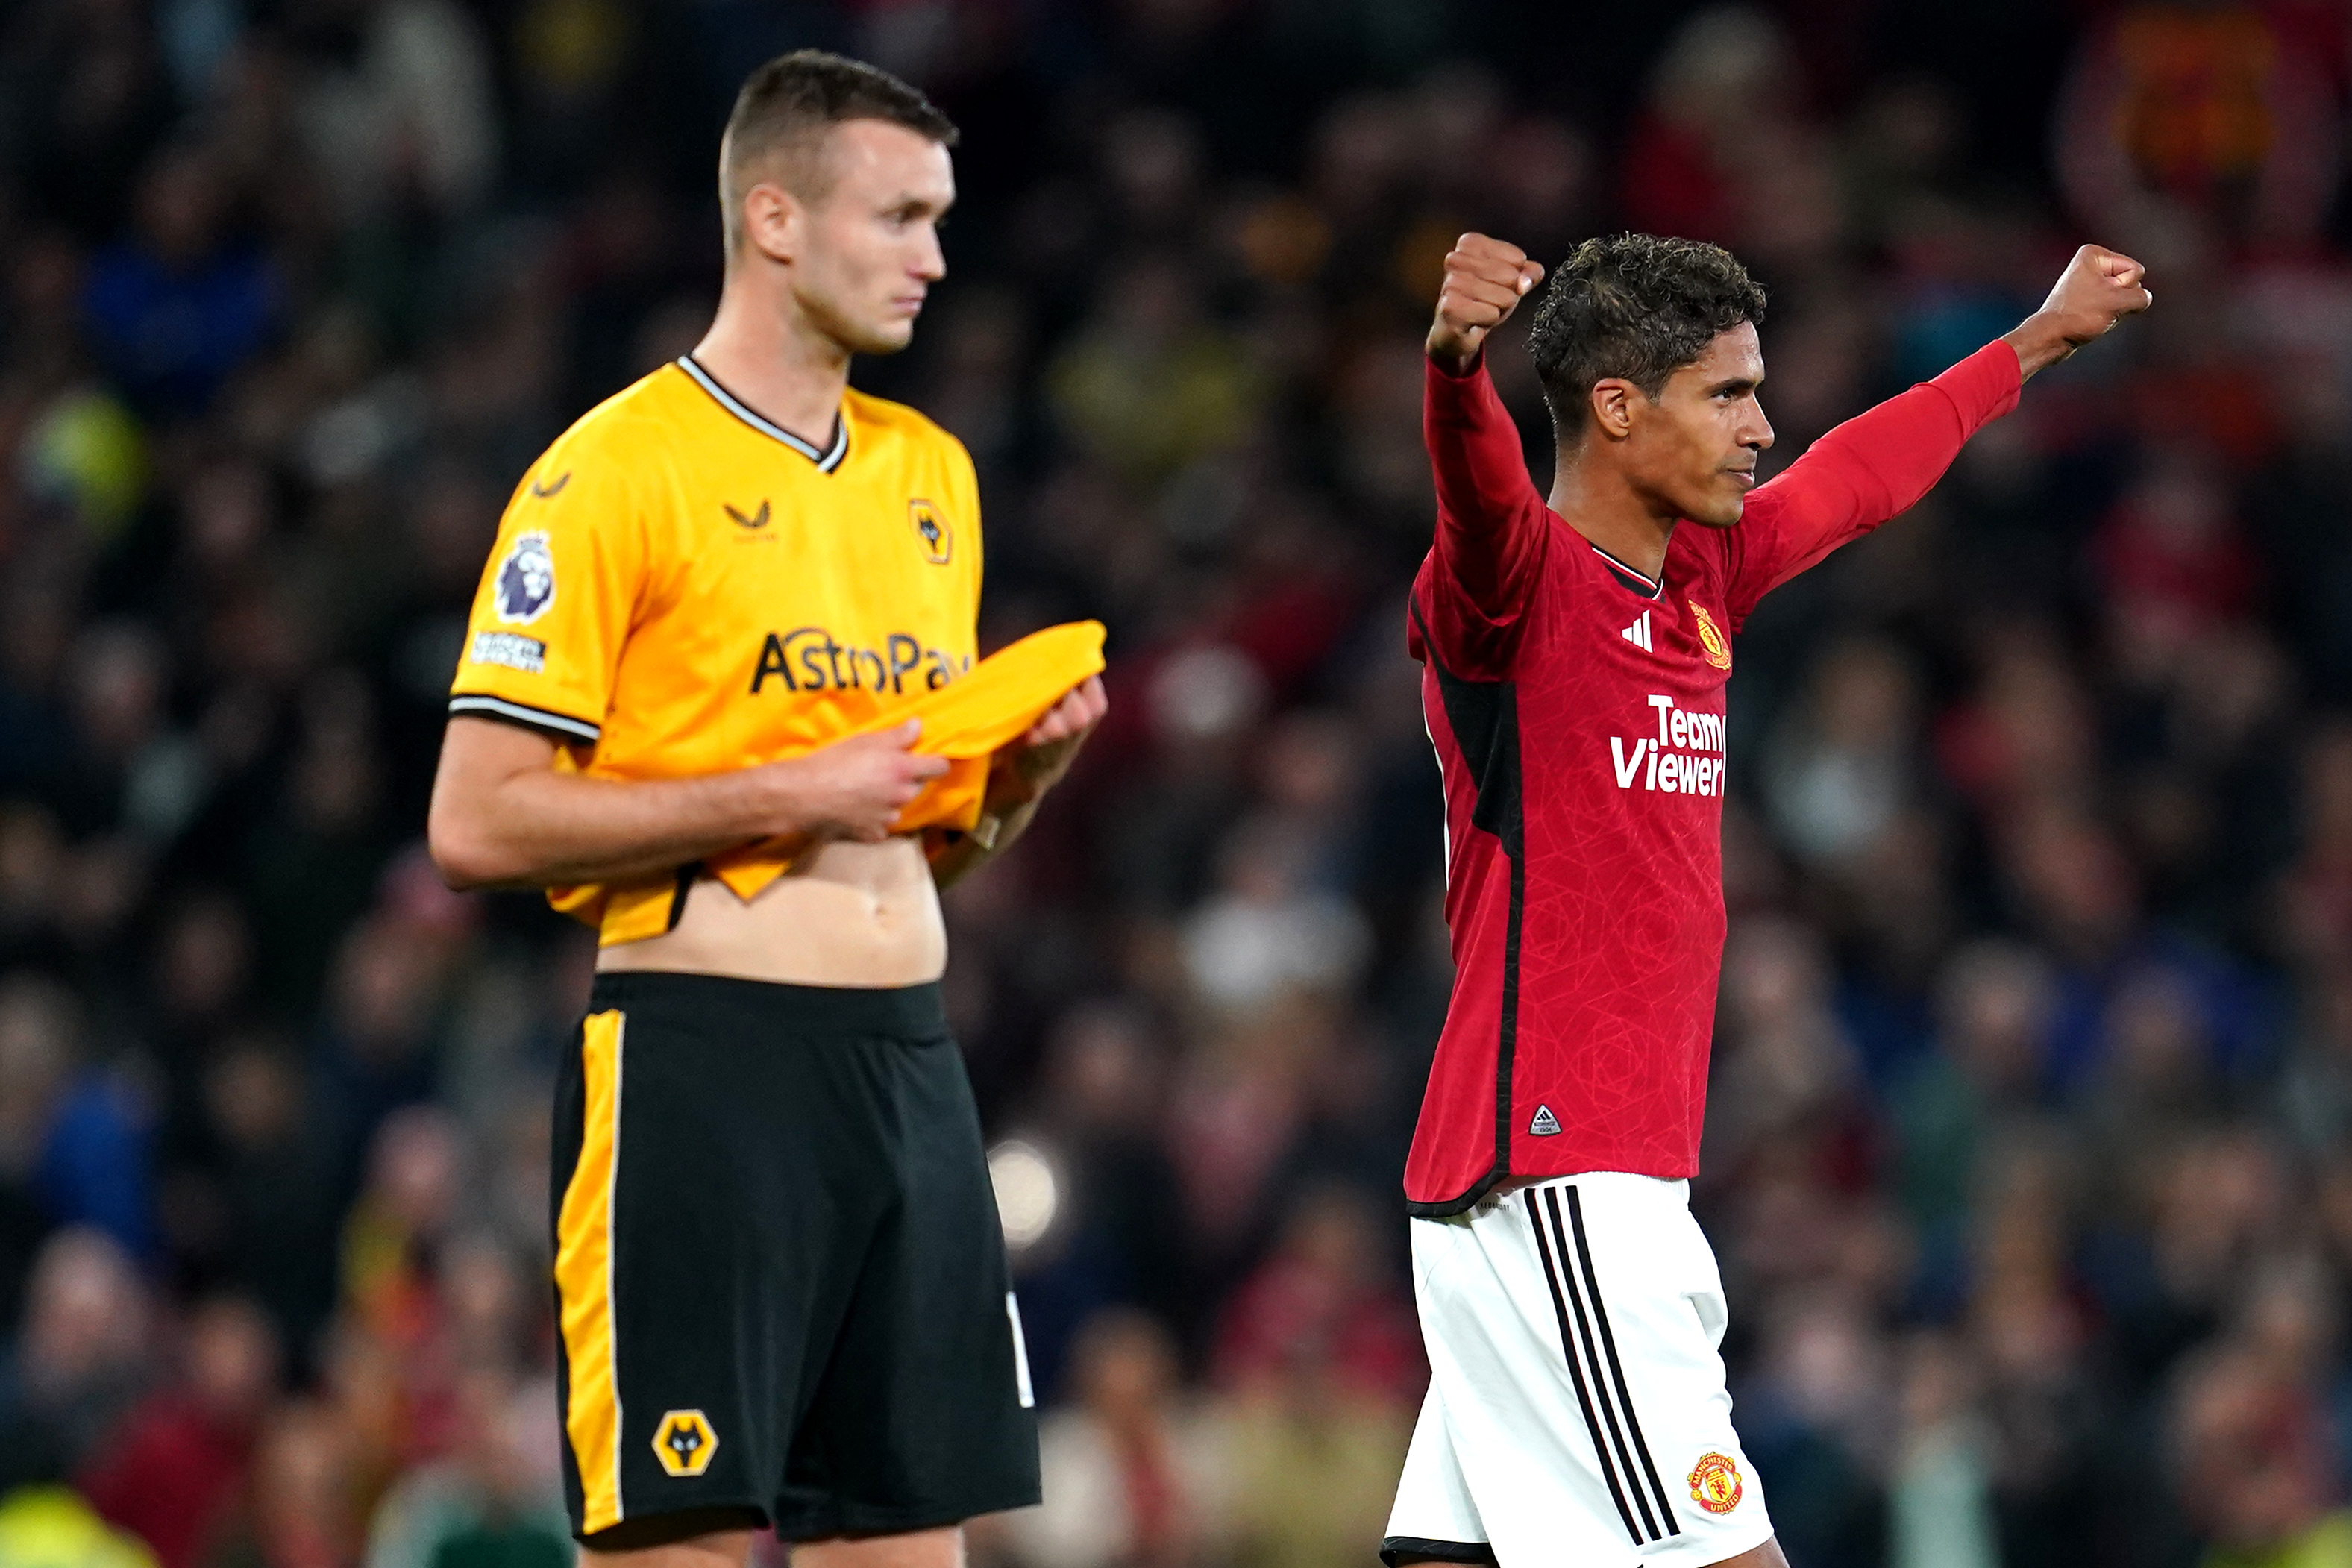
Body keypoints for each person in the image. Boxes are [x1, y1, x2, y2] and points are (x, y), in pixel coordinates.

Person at [424, 50, 1106, 1568]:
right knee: (678, 1544)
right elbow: (476, 821)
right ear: (776, 218)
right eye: (900, 217)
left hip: (910, 1067)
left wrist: (1018, 784)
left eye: (942, 219)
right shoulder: (611, 473)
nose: (935, 257)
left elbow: (914, 837)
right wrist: (790, 787)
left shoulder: (932, 477)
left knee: (914, 1548)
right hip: (699, 1072)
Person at [1382, 231, 2150, 1568]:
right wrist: (1454, 364)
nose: (1761, 427)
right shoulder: (1512, 596)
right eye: (1727, 395)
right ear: (1618, 410)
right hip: (1559, 1176)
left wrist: (2035, 341)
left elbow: (1852, 479)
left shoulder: (1698, 585)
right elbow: (1476, 496)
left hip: (1582, 1182)